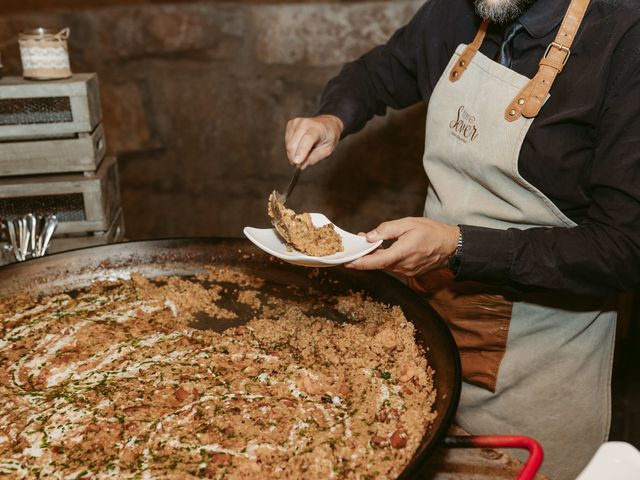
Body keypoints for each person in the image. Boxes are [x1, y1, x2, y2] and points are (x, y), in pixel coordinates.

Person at [284, 0, 640, 478]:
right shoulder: (463, 8)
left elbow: (623, 249)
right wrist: (333, 118)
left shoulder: (625, 38)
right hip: (435, 312)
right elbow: (382, 69)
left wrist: (457, 245)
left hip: (541, 355)